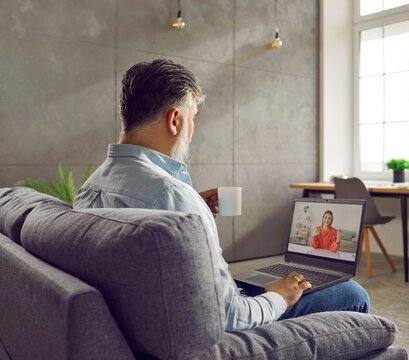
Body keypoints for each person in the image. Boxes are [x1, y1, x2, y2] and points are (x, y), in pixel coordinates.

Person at [74, 59, 369, 331]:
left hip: (143, 320)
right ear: (175, 120)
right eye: (193, 118)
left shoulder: (92, 186)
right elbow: (231, 314)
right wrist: (280, 297)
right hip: (216, 328)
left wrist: (186, 215)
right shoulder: (172, 195)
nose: (192, 129)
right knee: (353, 294)